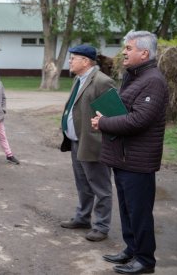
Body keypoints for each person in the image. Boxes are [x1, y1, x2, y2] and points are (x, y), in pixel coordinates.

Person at [92, 31, 168, 274]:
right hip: (124, 158)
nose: (124, 52)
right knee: (127, 209)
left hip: (138, 160)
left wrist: (103, 123)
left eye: (129, 48)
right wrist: (106, 116)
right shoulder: (134, 77)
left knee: (139, 212)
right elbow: (125, 110)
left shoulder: (153, 80)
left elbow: (138, 120)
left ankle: (145, 260)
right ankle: (131, 249)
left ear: (144, 53)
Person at [57, 46, 115, 242]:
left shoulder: (102, 82)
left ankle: (101, 226)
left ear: (86, 61)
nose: (70, 62)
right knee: (82, 184)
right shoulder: (78, 79)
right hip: (76, 142)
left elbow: (114, 115)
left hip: (93, 144)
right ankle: (82, 218)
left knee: (101, 187)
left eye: (73, 58)